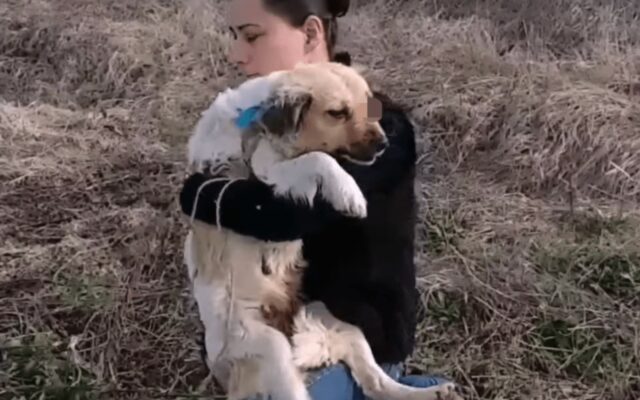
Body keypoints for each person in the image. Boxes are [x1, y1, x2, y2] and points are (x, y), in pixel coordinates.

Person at [179, 0, 456, 398]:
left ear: (310, 33)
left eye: (252, 35)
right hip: (272, 329)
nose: (236, 55)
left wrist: (198, 194)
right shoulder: (267, 113)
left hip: (351, 338)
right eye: (233, 36)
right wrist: (201, 189)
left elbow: (280, 217)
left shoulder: (380, 122)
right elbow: (211, 174)